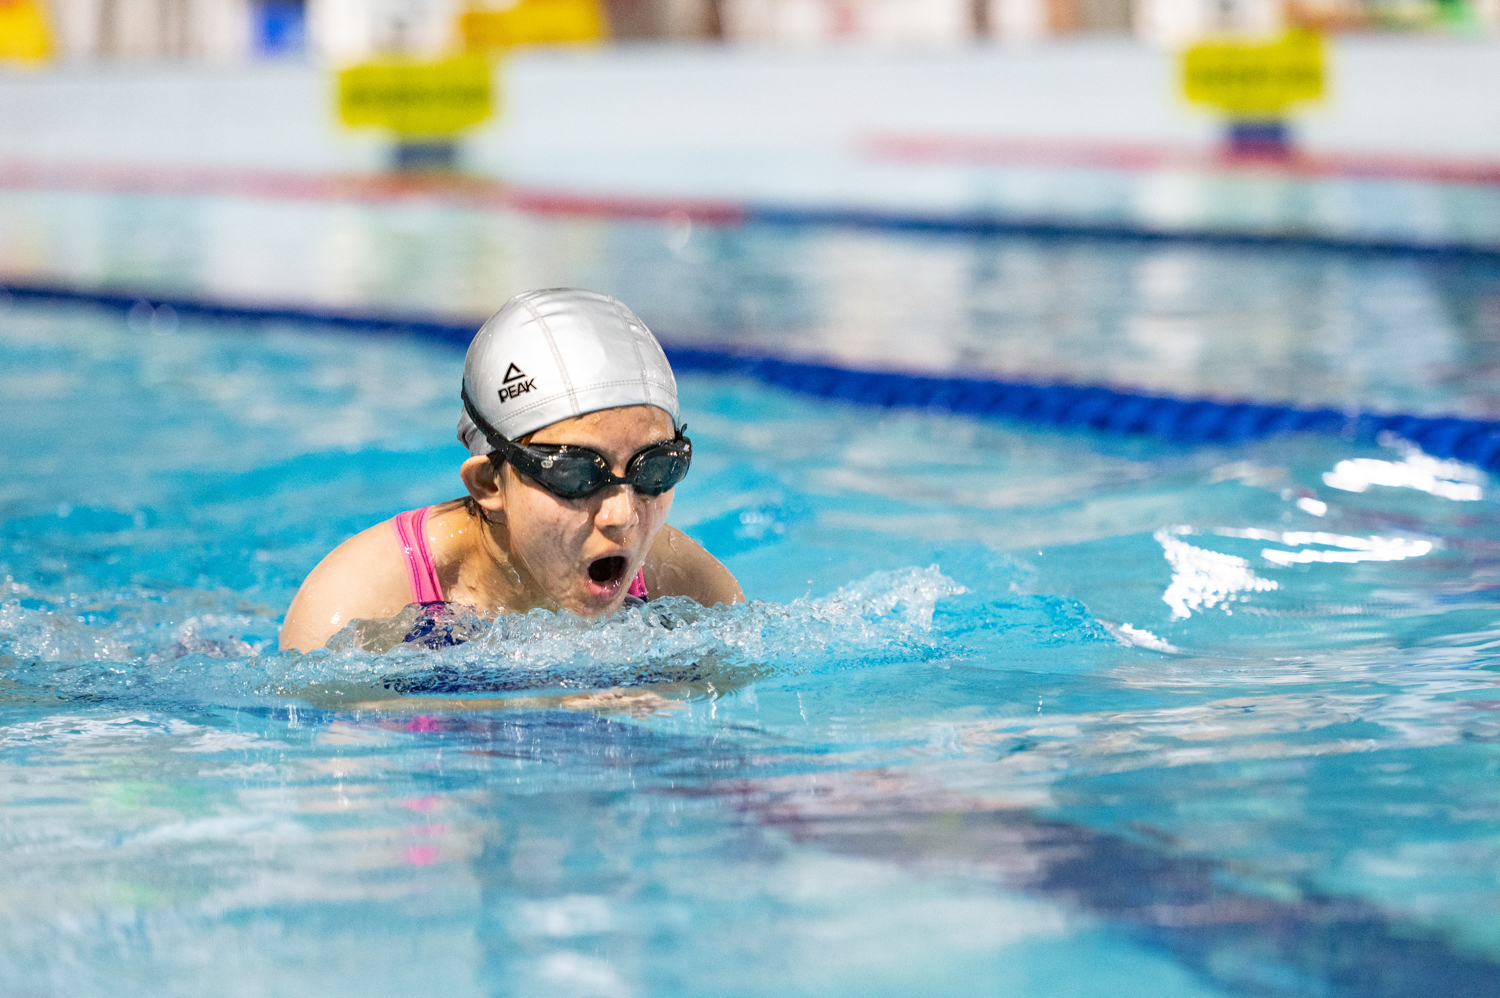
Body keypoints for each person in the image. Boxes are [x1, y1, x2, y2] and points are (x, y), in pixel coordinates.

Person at [279, 288, 743, 654]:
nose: (622, 514)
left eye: (654, 468)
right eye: (576, 474)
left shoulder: (684, 586)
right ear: (487, 483)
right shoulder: (360, 602)